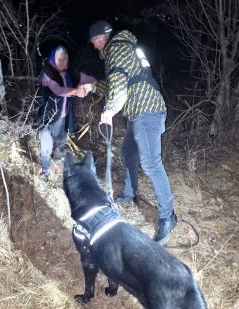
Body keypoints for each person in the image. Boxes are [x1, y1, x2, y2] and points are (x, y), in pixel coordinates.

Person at [82, 20, 177, 244]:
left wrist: (110, 109)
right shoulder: (123, 48)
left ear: (101, 39)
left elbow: (118, 83)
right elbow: (118, 80)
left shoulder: (116, 48)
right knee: (128, 152)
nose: (95, 47)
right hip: (139, 111)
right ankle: (128, 193)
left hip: (147, 111)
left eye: (94, 42)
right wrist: (92, 86)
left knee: (152, 164)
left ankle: (168, 216)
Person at [35, 45, 95, 178]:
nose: (63, 62)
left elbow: (83, 80)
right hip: (46, 117)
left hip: (62, 118)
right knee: (46, 146)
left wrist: (87, 85)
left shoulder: (67, 74)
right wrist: (75, 91)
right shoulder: (47, 72)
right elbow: (57, 90)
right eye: (59, 59)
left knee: (60, 144)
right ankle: (45, 170)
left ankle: (57, 166)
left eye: (65, 59)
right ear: (52, 59)